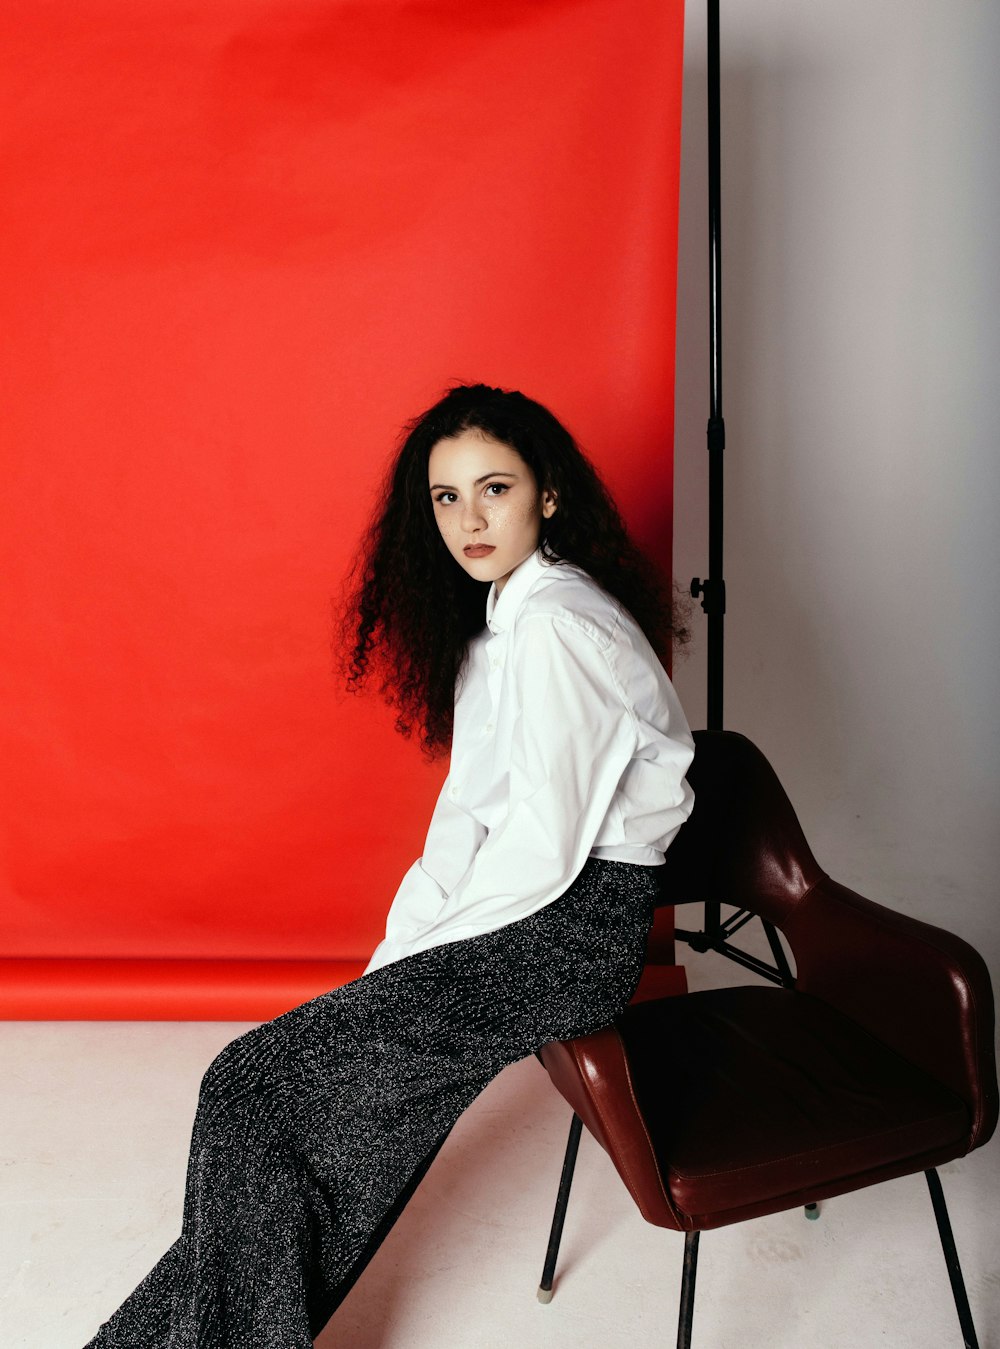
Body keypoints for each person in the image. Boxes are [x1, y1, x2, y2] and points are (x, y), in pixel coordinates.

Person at [83, 382, 695, 1348]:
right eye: (446, 498)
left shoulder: (560, 627)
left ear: (548, 495)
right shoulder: (502, 624)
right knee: (334, 1142)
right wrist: (394, 956)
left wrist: (418, 970)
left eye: (494, 488)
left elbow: (544, 850)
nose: (469, 518)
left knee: (247, 1085)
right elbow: (465, 822)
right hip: (520, 918)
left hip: (568, 931)